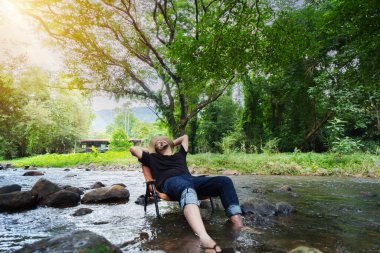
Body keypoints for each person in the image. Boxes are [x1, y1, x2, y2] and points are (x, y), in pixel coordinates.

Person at [130, 134, 243, 252]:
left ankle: (237, 222)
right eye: (157, 142)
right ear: (154, 148)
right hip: (170, 182)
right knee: (187, 187)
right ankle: (204, 237)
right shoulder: (152, 158)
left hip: (192, 180)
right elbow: (133, 149)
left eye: (163, 139)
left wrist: (168, 143)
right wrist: (153, 150)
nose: (161, 141)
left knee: (224, 181)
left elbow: (185, 137)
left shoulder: (180, 155)